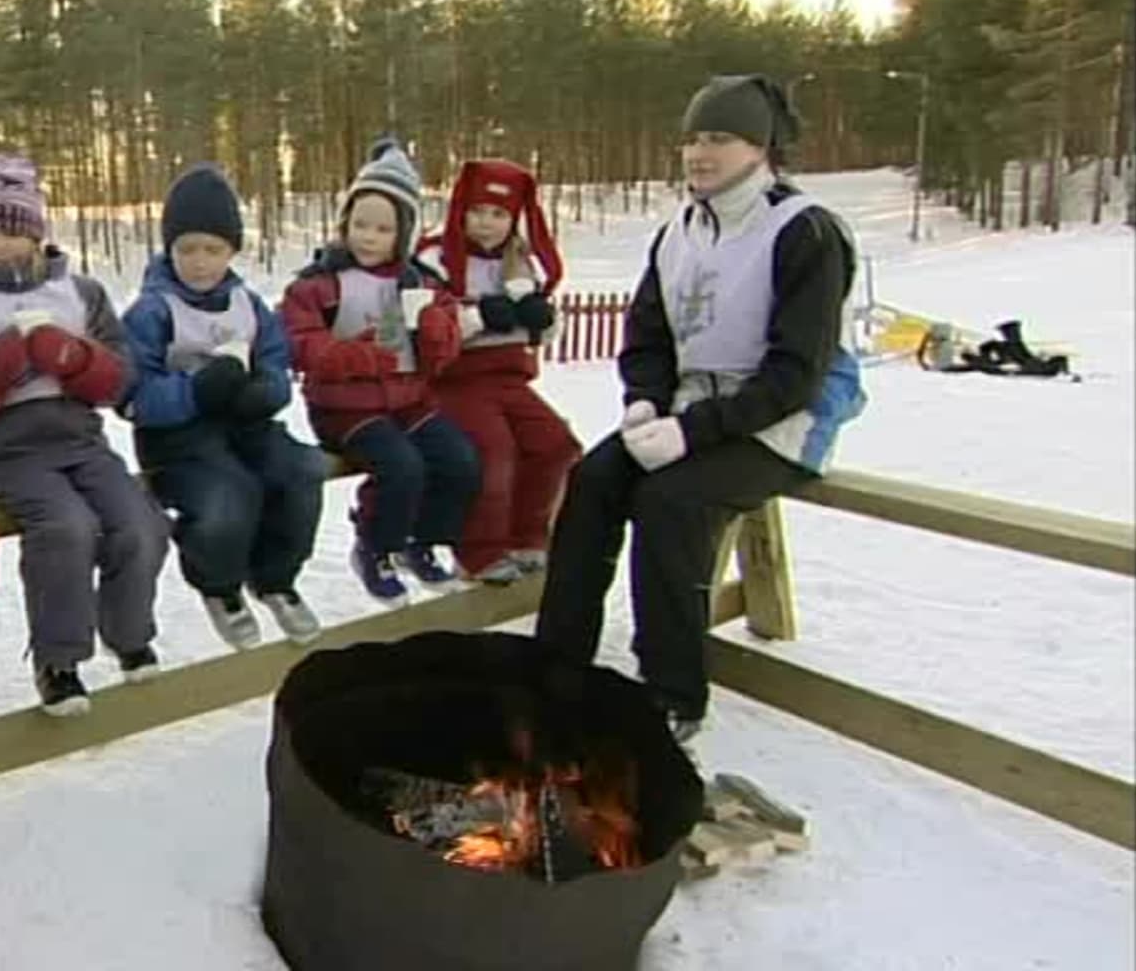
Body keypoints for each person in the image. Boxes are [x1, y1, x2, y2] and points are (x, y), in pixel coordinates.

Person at [534, 74, 866, 743]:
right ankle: (555, 665)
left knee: (671, 502)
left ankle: (672, 693)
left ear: (760, 147)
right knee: (594, 480)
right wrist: (644, 401)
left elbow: (796, 374)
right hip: (688, 408)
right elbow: (648, 338)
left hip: (782, 420)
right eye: (691, 139)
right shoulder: (678, 231)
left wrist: (692, 431)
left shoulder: (804, 232)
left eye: (718, 138)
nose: (698, 153)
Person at [0, 153, 170, 716]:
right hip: (10, 452)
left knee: (140, 523)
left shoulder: (81, 293)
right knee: (67, 530)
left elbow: (121, 379)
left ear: (36, 232)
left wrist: (76, 358)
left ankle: (129, 636)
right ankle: (59, 662)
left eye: (11, 230)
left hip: (82, 441)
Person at [121, 163, 328, 649]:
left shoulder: (248, 304)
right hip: (179, 439)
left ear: (232, 251)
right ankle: (220, 586)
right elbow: (131, 395)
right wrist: (194, 391)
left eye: (212, 250)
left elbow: (276, 363)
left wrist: (265, 391)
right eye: (187, 249)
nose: (199, 262)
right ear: (169, 249)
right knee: (227, 497)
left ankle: (276, 578)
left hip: (245, 425)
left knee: (302, 471)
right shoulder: (151, 311)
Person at [279, 141, 481, 604]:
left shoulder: (420, 283)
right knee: (402, 466)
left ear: (403, 234)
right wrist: (354, 356)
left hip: (410, 401)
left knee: (460, 460)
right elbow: (298, 343)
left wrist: (435, 329)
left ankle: (422, 540)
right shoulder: (318, 283)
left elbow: (446, 348)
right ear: (344, 224)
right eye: (360, 224)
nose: (368, 237)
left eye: (383, 229)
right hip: (344, 409)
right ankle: (375, 546)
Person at [417, 159, 582, 585]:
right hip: (456, 380)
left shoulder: (521, 262)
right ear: (460, 210)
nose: (486, 223)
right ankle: (478, 553)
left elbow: (540, 332)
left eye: (498, 214)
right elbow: (425, 325)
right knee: (494, 451)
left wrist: (543, 319)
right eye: (477, 211)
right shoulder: (436, 259)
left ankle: (526, 538)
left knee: (555, 444)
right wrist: (479, 317)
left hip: (510, 379)